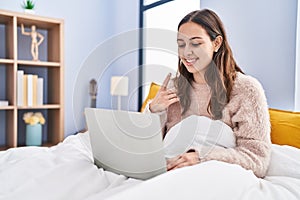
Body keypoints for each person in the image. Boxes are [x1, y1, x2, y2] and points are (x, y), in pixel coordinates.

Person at [146, 9, 271, 178]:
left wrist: (202, 158)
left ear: (216, 43)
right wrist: (155, 111)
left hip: (213, 176)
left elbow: (257, 159)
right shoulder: (172, 88)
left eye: (196, 44)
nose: (186, 52)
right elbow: (148, 151)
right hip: (165, 173)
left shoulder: (245, 89)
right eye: (181, 44)